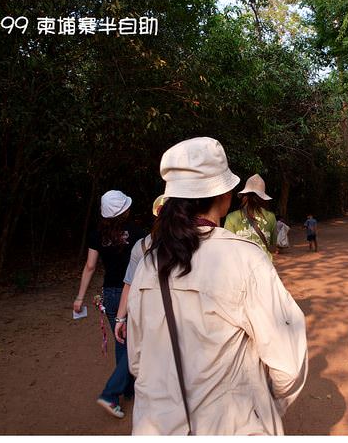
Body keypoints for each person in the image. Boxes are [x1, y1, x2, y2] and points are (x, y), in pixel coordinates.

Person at [127, 137, 307, 435]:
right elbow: (288, 363)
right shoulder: (245, 258)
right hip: (231, 426)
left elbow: (137, 359)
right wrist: (264, 409)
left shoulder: (149, 263)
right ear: (224, 195)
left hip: (155, 427)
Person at [73, 190, 145, 418]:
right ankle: (111, 393)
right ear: (124, 211)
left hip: (110, 294)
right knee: (135, 343)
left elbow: (90, 266)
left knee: (121, 339)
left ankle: (127, 388)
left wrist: (79, 297)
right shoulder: (137, 233)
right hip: (131, 292)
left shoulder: (96, 235)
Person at [114, 194, 167, 345]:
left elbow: (129, 283)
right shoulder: (189, 244)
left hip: (148, 314)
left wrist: (120, 318)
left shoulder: (142, 245)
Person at [224, 174, 277, 259]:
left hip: (241, 268)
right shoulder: (271, 217)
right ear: (262, 197)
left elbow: (228, 247)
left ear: (244, 195)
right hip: (264, 267)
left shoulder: (231, 217)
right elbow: (273, 247)